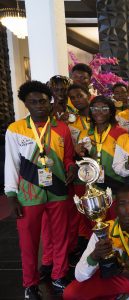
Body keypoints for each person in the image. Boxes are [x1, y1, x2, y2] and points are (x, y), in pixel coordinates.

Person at [4, 81, 77, 298]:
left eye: (43, 101)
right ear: (25, 104)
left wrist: (71, 166)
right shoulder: (16, 129)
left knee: (60, 236)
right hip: (28, 193)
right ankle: (30, 284)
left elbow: (67, 158)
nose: (39, 106)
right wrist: (11, 195)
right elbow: (12, 163)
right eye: (33, 102)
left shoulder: (61, 128)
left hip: (58, 189)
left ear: (50, 102)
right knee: (29, 241)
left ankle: (59, 276)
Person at [76, 96, 127, 194]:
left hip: (116, 186)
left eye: (104, 109)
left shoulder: (121, 133)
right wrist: (78, 153)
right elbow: (80, 161)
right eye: (95, 109)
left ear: (111, 112)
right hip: (91, 185)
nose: (99, 112)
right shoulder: (84, 134)